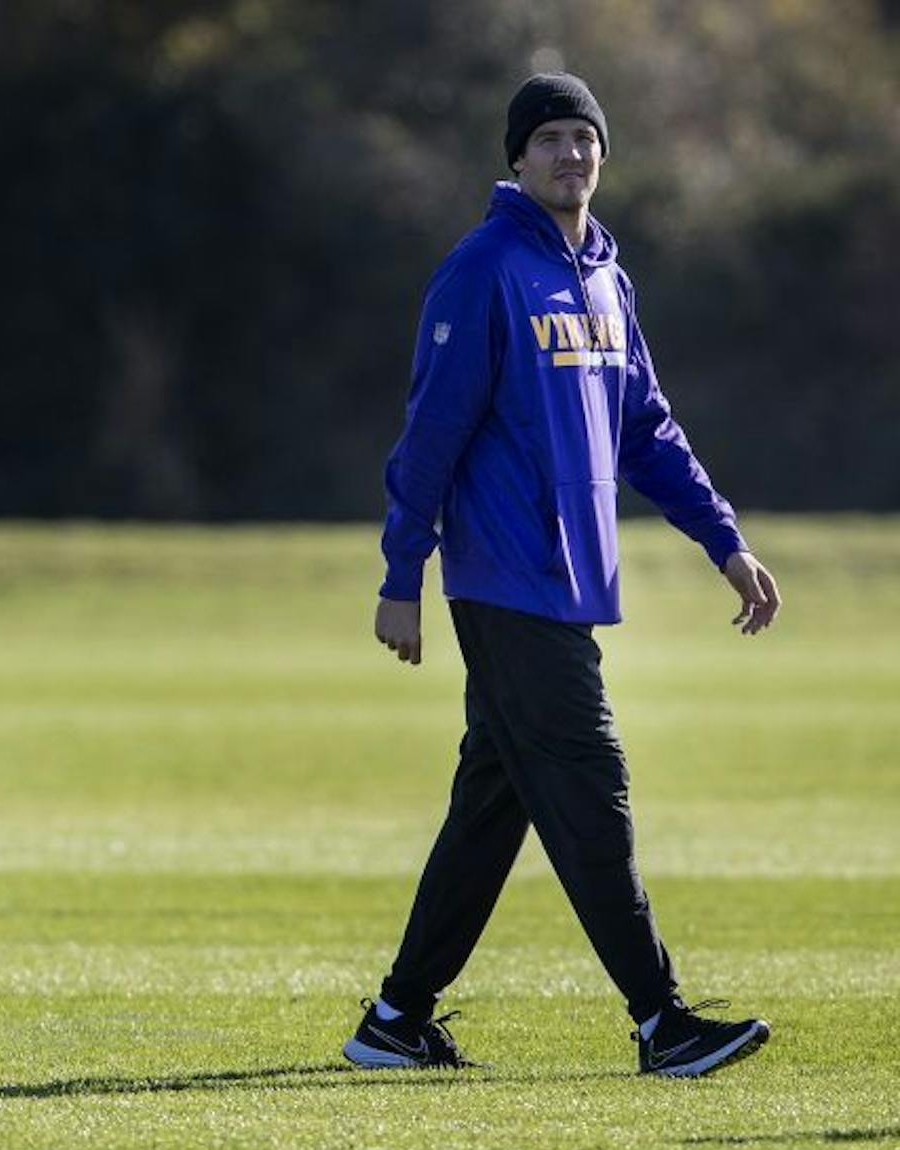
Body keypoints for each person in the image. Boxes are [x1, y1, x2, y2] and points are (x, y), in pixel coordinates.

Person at [346, 73, 780, 1078]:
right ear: (515, 159)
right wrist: (401, 570)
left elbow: (647, 430)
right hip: (506, 580)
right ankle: (662, 1020)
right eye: (548, 139)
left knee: (495, 802)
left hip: (570, 585)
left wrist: (724, 540)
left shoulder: (604, 280)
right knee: (590, 784)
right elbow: (432, 435)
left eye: (584, 138)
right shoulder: (484, 269)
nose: (571, 156)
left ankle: (395, 1018)